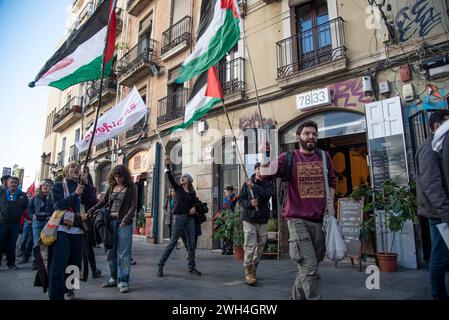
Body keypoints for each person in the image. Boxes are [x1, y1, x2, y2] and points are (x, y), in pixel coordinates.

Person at [260, 120, 336, 300]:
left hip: (319, 220)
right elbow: (264, 174)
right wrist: (265, 156)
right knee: (310, 269)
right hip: (296, 220)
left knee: (308, 267)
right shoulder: (288, 158)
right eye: (307, 133)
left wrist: (330, 202)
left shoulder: (325, 157)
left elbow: (332, 182)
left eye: (314, 134)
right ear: (298, 137)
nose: (311, 137)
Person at [48, 161, 96, 300]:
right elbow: (58, 205)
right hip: (61, 229)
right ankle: (56, 296)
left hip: (78, 230)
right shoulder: (58, 186)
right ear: (66, 171)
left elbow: (91, 202)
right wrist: (74, 194)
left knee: (74, 264)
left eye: (78, 167)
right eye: (73, 167)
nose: (76, 169)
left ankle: (70, 289)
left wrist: (87, 185)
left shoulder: (81, 185)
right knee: (58, 265)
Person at [416, 110, 449, 300]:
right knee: (440, 255)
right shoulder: (429, 149)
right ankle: (439, 294)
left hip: (441, 211)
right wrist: (446, 213)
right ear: (437, 126)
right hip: (439, 213)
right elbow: (432, 186)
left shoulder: (439, 146)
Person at [88, 165, 136, 293]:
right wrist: (92, 209)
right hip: (110, 222)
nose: (118, 179)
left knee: (124, 253)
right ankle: (113, 278)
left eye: (120, 176)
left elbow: (133, 206)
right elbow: (104, 201)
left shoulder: (131, 188)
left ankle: (123, 280)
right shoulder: (112, 187)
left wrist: (125, 219)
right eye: (115, 176)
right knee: (111, 251)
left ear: (125, 176)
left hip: (124, 224)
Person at [157, 156, 201, 277]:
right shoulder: (177, 189)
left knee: (192, 244)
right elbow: (170, 177)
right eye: (182, 177)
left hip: (190, 219)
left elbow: (197, 202)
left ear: (189, 180)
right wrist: (167, 165)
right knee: (172, 243)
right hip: (178, 218)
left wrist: (195, 208)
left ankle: (191, 267)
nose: (182, 178)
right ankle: (160, 265)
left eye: (185, 177)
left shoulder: (192, 192)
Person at [238, 163, 273, 286]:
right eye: (258, 168)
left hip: (262, 219)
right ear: (255, 170)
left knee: (261, 244)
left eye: (262, 169)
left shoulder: (268, 184)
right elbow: (240, 199)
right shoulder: (247, 184)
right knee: (250, 244)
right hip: (249, 218)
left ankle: (254, 267)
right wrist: (249, 203)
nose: (259, 171)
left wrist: (254, 187)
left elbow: (266, 195)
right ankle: (247, 269)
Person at [0, 176, 29, 270]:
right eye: (11, 182)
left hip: (15, 224)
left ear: (18, 184)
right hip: (2, 222)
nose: (13, 184)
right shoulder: (1, 193)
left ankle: (11, 264)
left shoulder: (22, 195)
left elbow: (25, 207)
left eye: (15, 183)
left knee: (12, 244)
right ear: (8, 183)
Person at [27, 179, 54, 270]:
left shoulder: (53, 197)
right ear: (41, 187)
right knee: (36, 242)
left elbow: (57, 208)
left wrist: (52, 216)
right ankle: (36, 262)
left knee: (48, 242)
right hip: (37, 222)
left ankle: (48, 261)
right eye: (44, 185)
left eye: (48, 185)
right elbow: (29, 208)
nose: (45, 187)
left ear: (51, 187)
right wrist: (32, 216)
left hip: (49, 222)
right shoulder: (35, 197)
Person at [81, 167, 102, 281]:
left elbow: (93, 202)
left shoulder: (90, 187)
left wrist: (86, 185)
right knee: (77, 250)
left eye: (85, 172)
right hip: (70, 222)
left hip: (85, 220)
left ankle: (92, 270)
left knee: (87, 247)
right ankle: (71, 285)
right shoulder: (65, 185)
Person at [17, 190, 36, 264]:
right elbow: (24, 212)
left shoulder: (35, 200)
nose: (29, 196)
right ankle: (22, 253)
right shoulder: (27, 202)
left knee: (32, 240)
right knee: (25, 238)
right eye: (28, 195)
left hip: (35, 222)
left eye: (31, 195)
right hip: (27, 222)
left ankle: (28, 256)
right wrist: (28, 220)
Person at [221, 186, 237, 255]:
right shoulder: (225, 198)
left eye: (226, 192)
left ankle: (229, 249)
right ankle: (224, 248)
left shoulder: (233, 198)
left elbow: (230, 204)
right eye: (225, 192)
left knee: (229, 233)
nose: (225, 193)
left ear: (230, 191)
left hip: (230, 216)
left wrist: (230, 197)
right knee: (224, 233)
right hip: (225, 216)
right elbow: (224, 206)